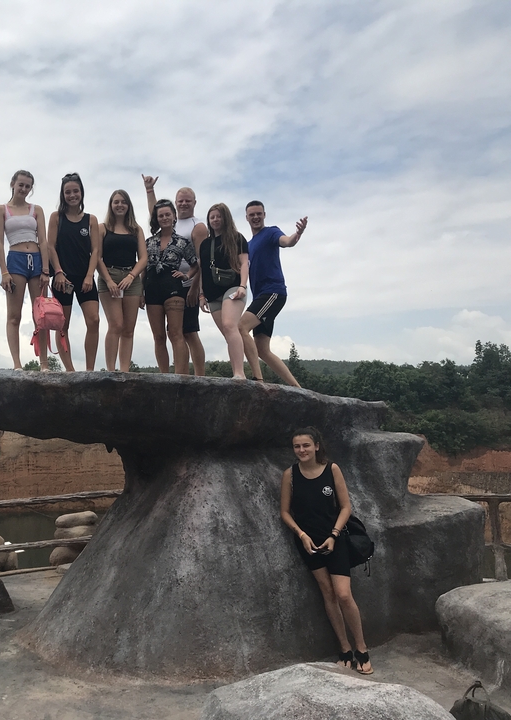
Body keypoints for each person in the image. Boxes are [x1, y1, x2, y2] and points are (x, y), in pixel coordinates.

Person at [279, 427, 373, 675]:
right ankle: (344, 649)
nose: (302, 450)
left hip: (335, 539)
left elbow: (345, 507)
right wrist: (301, 535)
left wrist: (333, 535)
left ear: (317, 446)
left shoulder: (332, 470)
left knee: (343, 594)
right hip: (307, 542)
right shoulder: (290, 475)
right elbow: (285, 513)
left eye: (306, 445)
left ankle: (361, 648)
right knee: (327, 594)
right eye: (297, 446)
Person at [143, 175, 208, 375]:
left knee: (183, 333)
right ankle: (165, 377)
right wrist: (149, 190)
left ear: (194, 203)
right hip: (154, 287)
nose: (184, 204)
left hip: (180, 287)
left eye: (187, 201)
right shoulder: (150, 240)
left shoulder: (197, 228)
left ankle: (191, 377)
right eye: (181, 201)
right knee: (160, 336)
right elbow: (156, 211)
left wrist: (195, 285)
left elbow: (200, 262)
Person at [239, 201, 308, 386]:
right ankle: (298, 389)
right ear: (246, 217)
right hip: (261, 296)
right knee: (262, 349)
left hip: (273, 293)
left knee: (241, 327)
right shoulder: (248, 245)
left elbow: (287, 241)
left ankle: (258, 380)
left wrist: (298, 234)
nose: (255, 217)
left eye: (259, 213)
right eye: (252, 214)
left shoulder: (270, 232)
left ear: (264, 215)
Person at [0, 170, 50, 371]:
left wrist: (45, 269)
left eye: (28, 186)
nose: (24, 189)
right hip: (15, 259)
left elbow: (43, 240)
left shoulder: (37, 210)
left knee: (41, 315)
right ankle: (17, 364)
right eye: (21, 185)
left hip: (36, 259)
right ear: (13, 184)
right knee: (14, 315)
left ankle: (44, 364)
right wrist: (4, 271)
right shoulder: (2, 210)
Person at [48, 173, 101, 371]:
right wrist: (58, 272)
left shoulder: (91, 220)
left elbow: (95, 250)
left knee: (94, 320)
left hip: (85, 277)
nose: (72, 195)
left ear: (81, 192)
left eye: (75, 191)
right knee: (63, 326)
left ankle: (89, 370)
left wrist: (89, 275)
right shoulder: (56, 218)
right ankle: (70, 371)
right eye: (68, 192)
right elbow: (50, 247)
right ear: (63, 194)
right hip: (63, 278)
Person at [196, 203, 249, 379]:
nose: (215, 220)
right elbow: (203, 270)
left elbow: (244, 264)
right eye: (212, 217)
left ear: (225, 218)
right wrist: (202, 294)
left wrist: (243, 285)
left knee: (229, 325)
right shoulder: (205, 244)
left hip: (233, 288)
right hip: (212, 294)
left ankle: (240, 373)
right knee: (228, 333)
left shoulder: (237, 238)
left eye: (219, 216)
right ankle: (236, 372)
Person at [96, 190, 148, 371]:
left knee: (128, 328)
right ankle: (110, 370)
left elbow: (143, 258)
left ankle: (124, 370)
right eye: (116, 202)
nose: (120, 205)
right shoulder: (103, 228)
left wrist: (132, 276)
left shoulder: (136, 229)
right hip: (108, 276)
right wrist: (109, 281)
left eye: (123, 202)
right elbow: (97, 257)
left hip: (131, 278)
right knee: (116, 324)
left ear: (128, 205)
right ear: (111, 205)